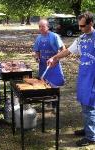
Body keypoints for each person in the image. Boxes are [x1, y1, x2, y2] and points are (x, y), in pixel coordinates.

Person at [47, 11, 95, 146]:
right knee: (84, 104)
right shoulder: (81, 39)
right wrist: (55, 58)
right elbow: (68, 51)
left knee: (90, 105)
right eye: (79, 26)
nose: (80, 29)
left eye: (83, 26)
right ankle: (88, 129)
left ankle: (91, 136)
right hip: (84, 75)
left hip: (93, 77)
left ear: (91, 23)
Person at [33, 19, 65, 109]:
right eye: (39, 26)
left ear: (48, 26)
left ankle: (55, 104)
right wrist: (37, 57)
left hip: (54, 66)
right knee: (44, 85)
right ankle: (47, 102)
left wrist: (56, 59)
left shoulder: (54, 36)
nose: (41, 28)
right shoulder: (38, 38)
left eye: (43, 26)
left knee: (55, 85)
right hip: (43, 65)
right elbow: (37, 50)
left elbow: (64, 50)